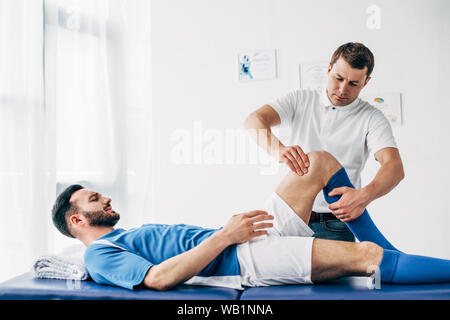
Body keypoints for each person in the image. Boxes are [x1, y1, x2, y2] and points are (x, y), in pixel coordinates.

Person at [51, 151, 450, 291]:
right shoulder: (100, 254)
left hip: (248, 237)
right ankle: (391, 259)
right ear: (77, 219)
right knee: (367, 256)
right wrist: (226, 237)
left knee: (319, 162)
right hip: (245, 261)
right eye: (93, 199)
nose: (104, 198)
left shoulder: (125, 233)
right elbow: (156, 278)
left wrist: (233, 233)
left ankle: (395, 256)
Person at [244, 42, 405, 242]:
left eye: (354, 84)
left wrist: (364, 196)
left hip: (337, 224)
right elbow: (254, 120)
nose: (342, 89)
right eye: (338, 78)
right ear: (329, 70)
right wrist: (278, 150)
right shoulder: (301, 100)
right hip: (291, 216)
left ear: (366, 82)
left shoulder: (372, 117)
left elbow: (394, 166)